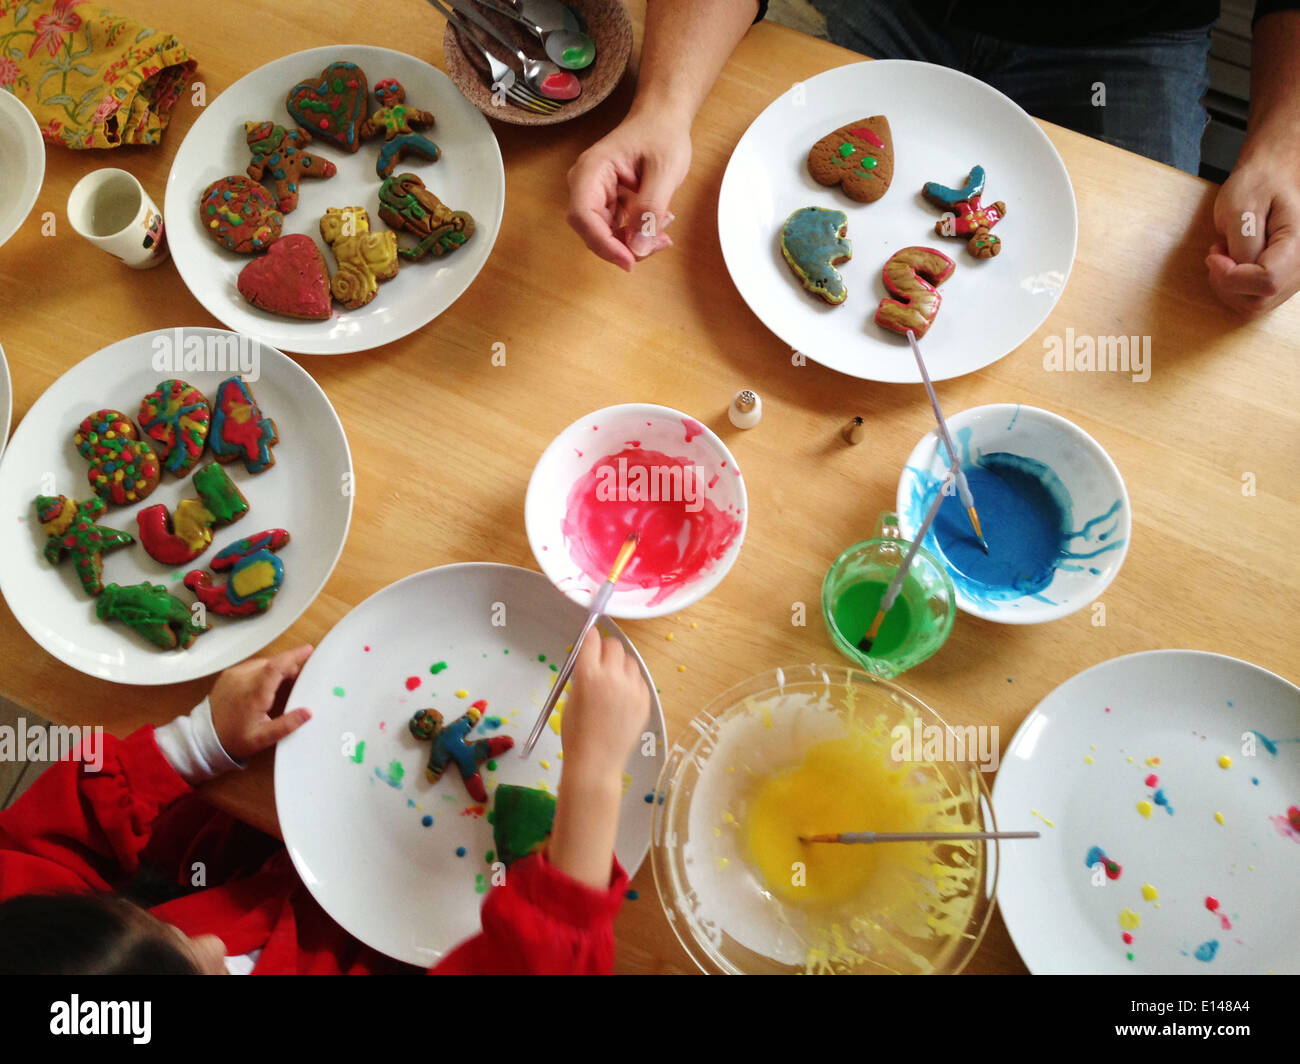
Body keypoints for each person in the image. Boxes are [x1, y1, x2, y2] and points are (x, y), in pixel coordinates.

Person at [566, 0, 1300, 317]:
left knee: (1137, 309)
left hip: (1129, 39)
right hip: (899, 11)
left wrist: (1283, 147)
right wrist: (663, 108)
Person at [0, 632, 650, 974]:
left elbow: (34, 849)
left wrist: (198, 742)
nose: (210, 943)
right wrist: (593, 778)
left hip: (240, 856)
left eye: (168, 929)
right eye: (199, 969)